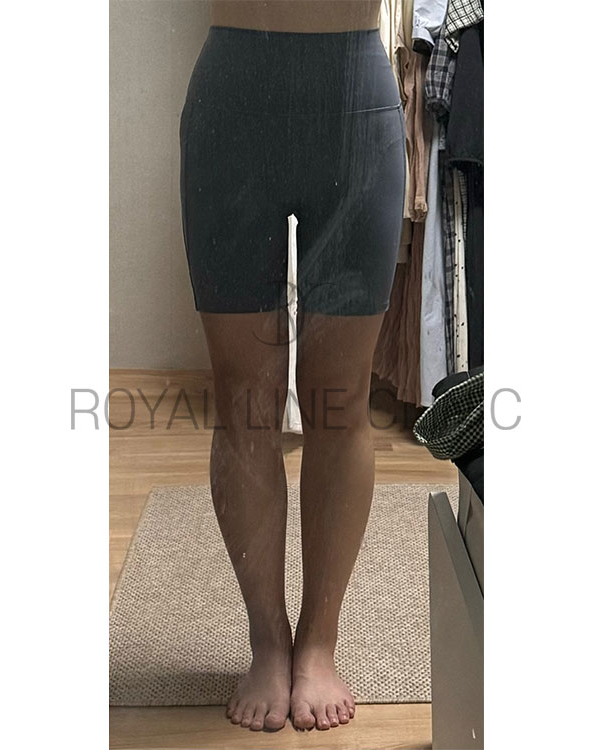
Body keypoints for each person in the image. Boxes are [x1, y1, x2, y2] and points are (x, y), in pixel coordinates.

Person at [178, 0, 406, 732]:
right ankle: (268, 639)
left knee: (340, 401)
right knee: (245, 401)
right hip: (232, 106)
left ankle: (319, 642)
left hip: (355, 104)